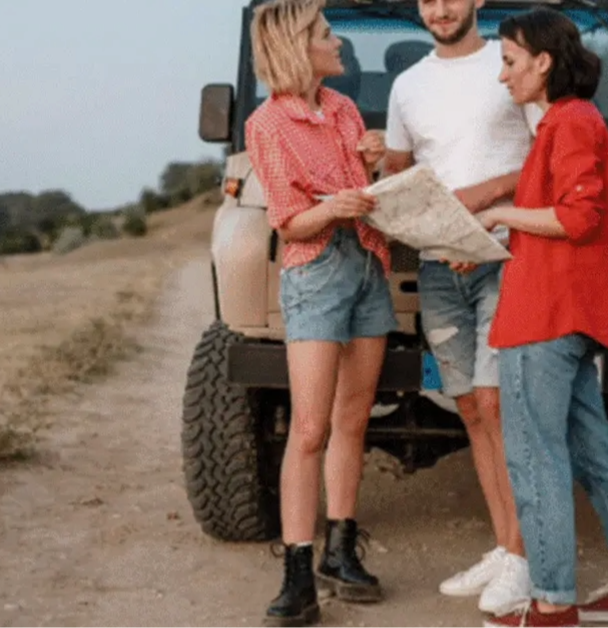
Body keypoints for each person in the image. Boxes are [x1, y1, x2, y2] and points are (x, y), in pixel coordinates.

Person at [478, 7, 608, 627]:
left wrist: (501, 214)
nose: (503, 76)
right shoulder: (567, 122)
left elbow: (576, 220)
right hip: (569, 313)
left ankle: (552, 602)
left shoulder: (571, 123)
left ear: (543, 61)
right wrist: (495, 234)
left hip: (547, 317)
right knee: (593, 448)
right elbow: (556, 222)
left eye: (508, 62)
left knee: (535, 458)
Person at [382, 0, 542, 616]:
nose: (440, 9)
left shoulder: (510, 67)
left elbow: (544, 157)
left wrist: (491, 197)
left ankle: (524, 560)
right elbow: (399, 170)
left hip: (507, 256)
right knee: (472, 408)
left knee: (501, 404)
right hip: (440, 268)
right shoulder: (408, 85)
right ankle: (506, 549)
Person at [243, 0, 398, 626]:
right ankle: (296, 573)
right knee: (308, 431)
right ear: (297, 46)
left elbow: (361, 190)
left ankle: (341, 550)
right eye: (328, 34)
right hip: (316, 273)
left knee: (352, 422)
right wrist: (337, 206)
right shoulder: (266, 124)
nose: (339, 44)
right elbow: (290, 221)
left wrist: (373, 161)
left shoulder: (343, 109)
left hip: (367, 265)